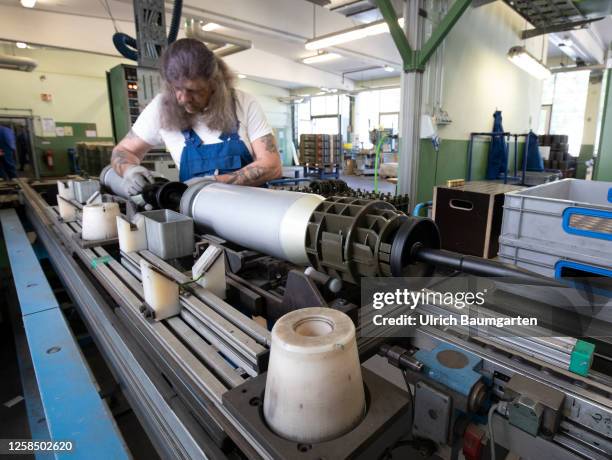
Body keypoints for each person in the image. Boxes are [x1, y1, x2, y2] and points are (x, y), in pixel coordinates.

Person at [111, 38, 282, 195]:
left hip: (252, 215)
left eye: (194, 90)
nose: (183, 98)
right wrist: (129, 171)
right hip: (196, 219)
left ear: (214, 83)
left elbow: (272, 165)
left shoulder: (244, 103)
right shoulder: (160, 108)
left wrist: (214, 183)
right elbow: (123, 151)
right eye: (176, 88)